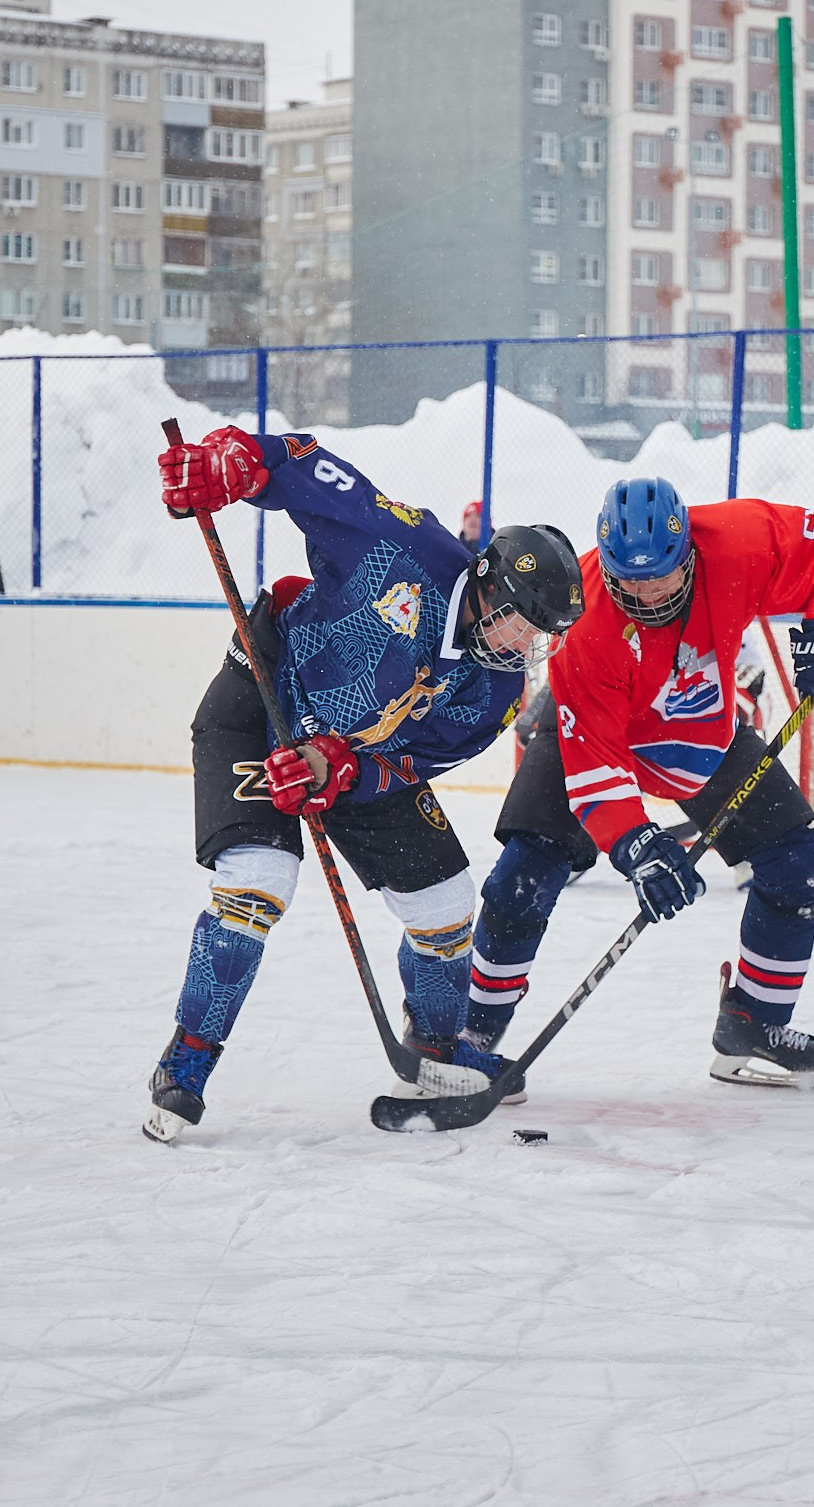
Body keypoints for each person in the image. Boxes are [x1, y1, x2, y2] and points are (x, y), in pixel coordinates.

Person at [143, 425, 585, 1143]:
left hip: (347, 758)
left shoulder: (495, 691)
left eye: (541, 636)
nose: (526, 648)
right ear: (489, 587)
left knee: (445, 909)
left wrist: (340, 766)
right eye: (522, 627)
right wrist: (235, 461)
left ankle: (434, 1046)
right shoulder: (401, 551)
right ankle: (186, 1060)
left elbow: (414, 762)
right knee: (258, 887)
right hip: (262, 699)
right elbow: (303, 466)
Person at [464, 477, 814, 1092]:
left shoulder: (737, 540)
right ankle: (470, 1039)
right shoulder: (581, 616)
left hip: (695, 730)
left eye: (660, 574)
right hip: (594, 734)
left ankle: (754, 1022)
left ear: (689, 548)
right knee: (521, 879)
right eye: (626, 578)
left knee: (801, 866)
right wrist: (636, 846)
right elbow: (596, 768)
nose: (644, 592)